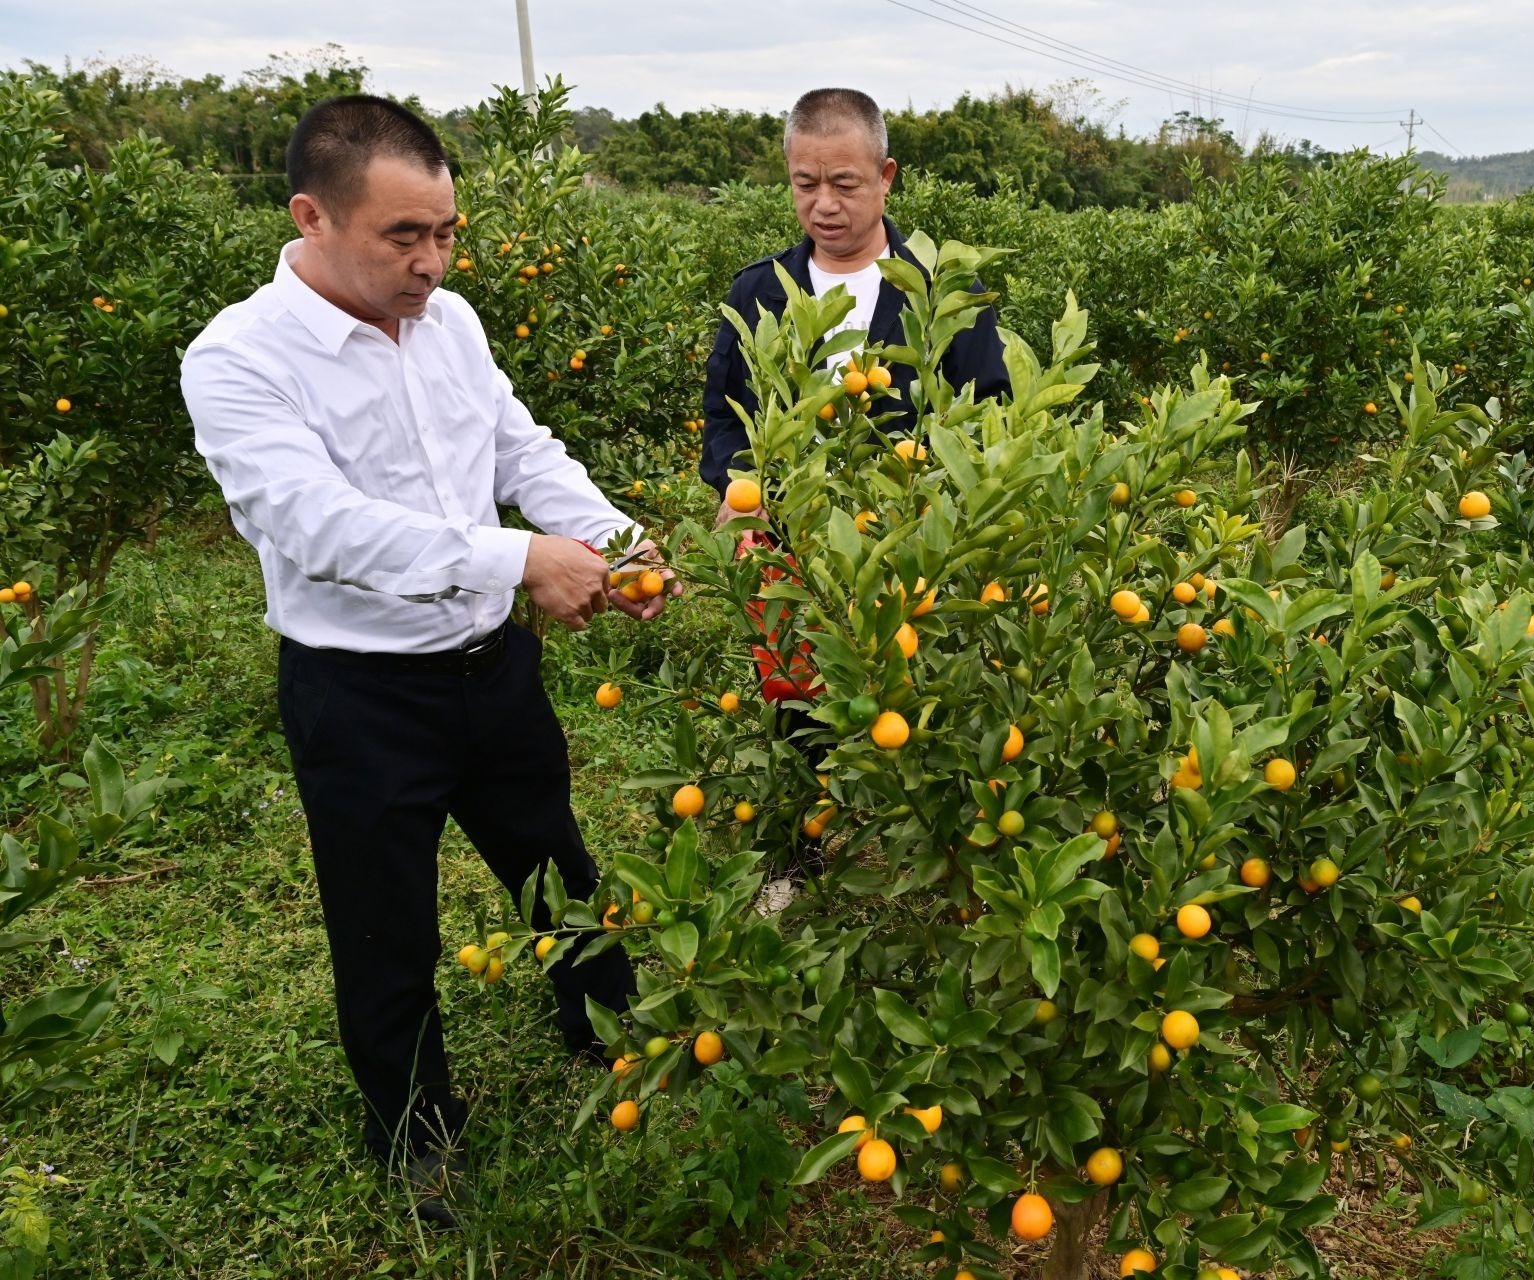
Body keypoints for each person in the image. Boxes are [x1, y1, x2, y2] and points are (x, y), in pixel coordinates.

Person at [180, 94, 676, 1229]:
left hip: (488, 669)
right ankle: (416, 1135)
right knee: (383, 924)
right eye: (403, 236)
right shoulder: (240, 357)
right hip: (359, 694)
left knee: (559, 866)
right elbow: (321, 526)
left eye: (446, 231)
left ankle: (608, 1035)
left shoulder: (450, 323)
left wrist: (612, 542)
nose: (432, 260)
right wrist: (517, 560)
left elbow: (516, 444)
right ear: (312, 215)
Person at [699, 87, 1010, 908]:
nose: (824, 205)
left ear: (886, 177)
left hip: (909, 536)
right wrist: (746, 490)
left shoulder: (940, 296)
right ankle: (799, 853)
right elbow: (723, 424)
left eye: (844, 183)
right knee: (793, 701)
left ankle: (918, 847)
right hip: (791, 540)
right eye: (805, 184)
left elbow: (989, 417)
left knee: (909, 691)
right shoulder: (759, 292)